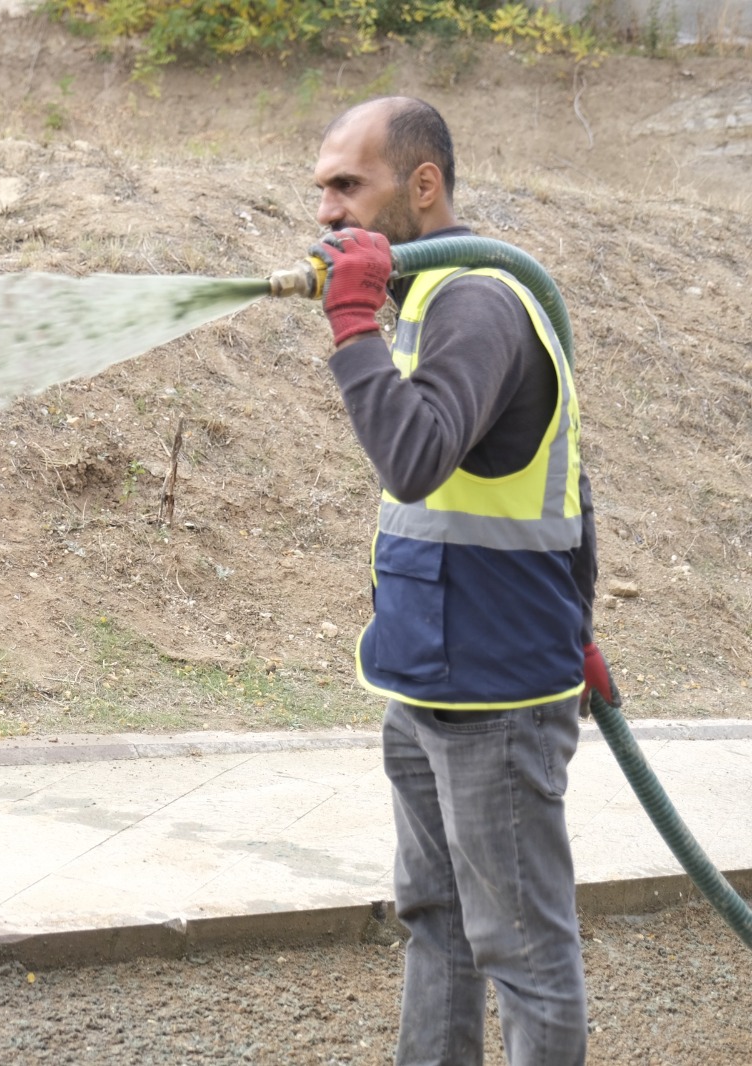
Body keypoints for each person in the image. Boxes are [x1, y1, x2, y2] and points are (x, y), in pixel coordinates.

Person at [309, 96, 619, 1065]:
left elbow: (414, 457)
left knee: (520, 950)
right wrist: (582, 612)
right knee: (437, 923)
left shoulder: (480, 300)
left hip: (496, 689)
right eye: (321, 188)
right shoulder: (436, 303)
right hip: (424, 677)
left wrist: (352, 325)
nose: (325, 211)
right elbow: (554, 481)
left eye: (347, 185)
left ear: (423, 185)